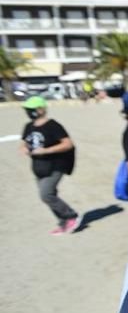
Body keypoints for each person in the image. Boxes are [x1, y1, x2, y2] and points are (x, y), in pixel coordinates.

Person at [19, 96, 81, 234]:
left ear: (41, 109)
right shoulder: (28, 126)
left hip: (55, 166)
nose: (28, 112)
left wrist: (46, 150)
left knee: (46, 194)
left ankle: (71, 215)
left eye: (31, 109)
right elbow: (24, 142)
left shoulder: (53, 125)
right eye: (27, 109)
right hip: (38, 167)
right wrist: (24, 149)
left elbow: (68, 144)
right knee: (49, 196)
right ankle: (64, 222)